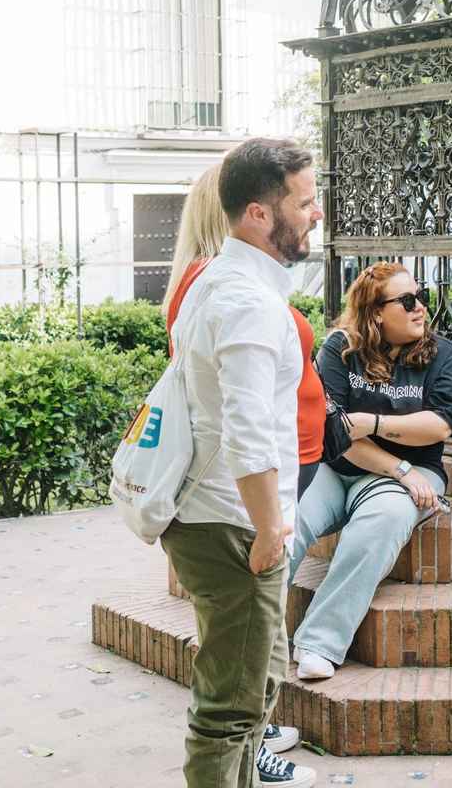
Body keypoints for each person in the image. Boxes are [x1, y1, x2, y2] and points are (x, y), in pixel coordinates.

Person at [159, 137, 321, 788]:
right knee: (231, 710)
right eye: (304, 203)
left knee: (250, 694)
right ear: (258, 213)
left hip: (222, 517)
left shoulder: (220, 282)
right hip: (234, 523)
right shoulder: (247, 300)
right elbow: (248, 431)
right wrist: (269, 530)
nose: (316, 214)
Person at [286, 262, 452, 681]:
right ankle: (253, 634)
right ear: (376, 312)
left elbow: (439, 425)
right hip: (343, 468)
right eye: (408, 301)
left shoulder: (442, 354)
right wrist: (399, 467)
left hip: (413, 473)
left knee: (379, 524)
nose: (420, 307)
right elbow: (337, 432)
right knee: (289, 521)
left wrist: (374, 424)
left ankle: (318, 643)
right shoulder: (340, 349)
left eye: (421, 297)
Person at [164, 164, 327, 501]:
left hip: (285, 451)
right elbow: (245, 413)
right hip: (269, 459)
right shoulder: (232, 290)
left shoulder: (223, 281)